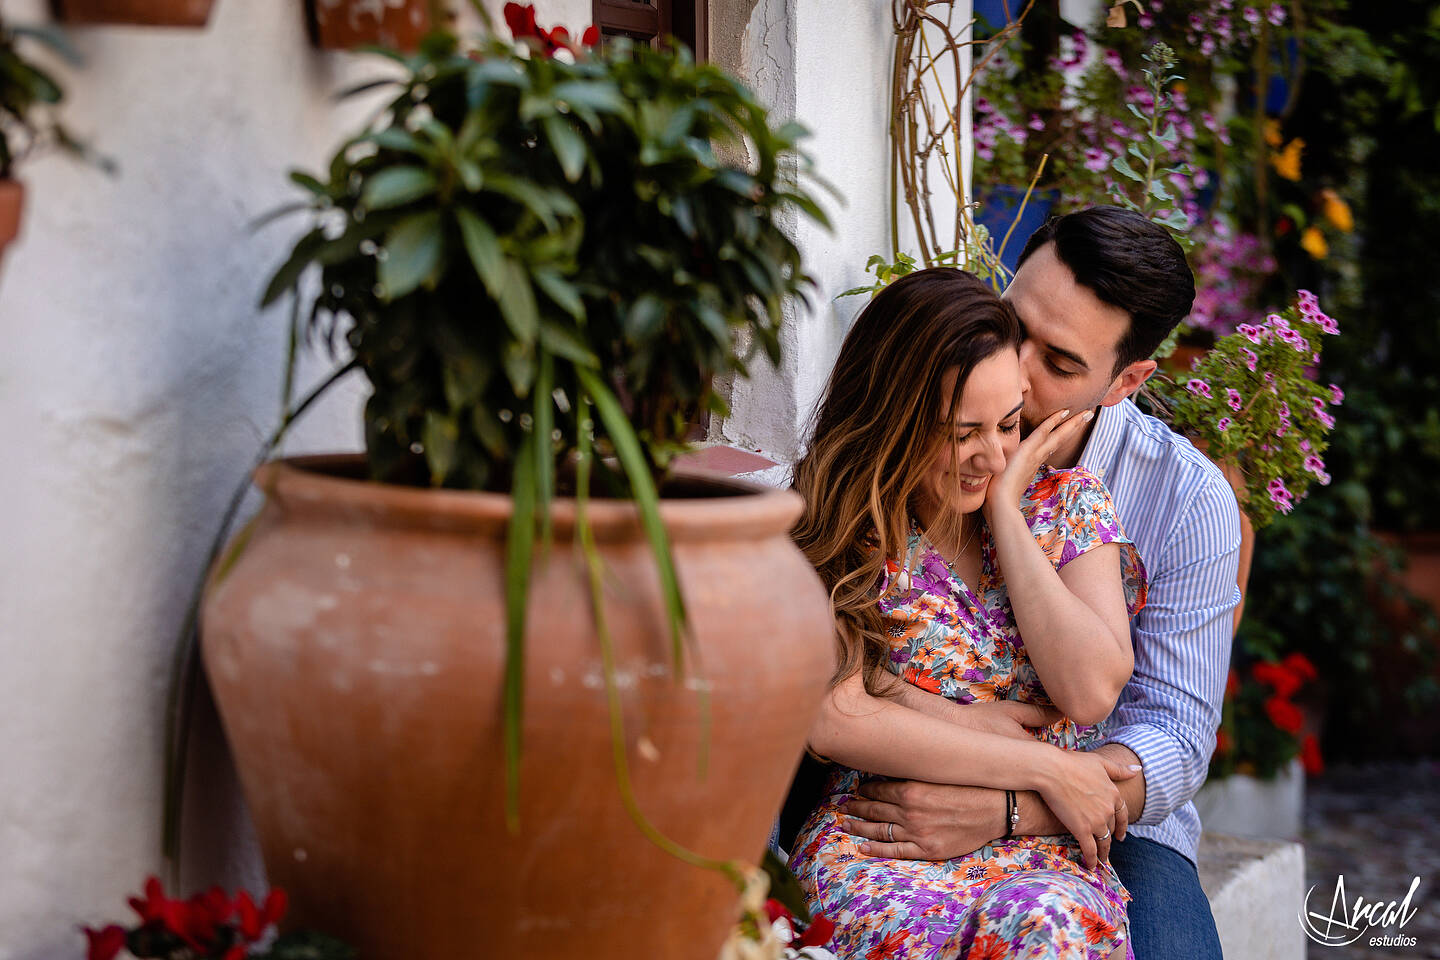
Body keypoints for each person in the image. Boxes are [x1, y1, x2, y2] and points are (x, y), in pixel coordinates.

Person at [832, 207, 1239, 960]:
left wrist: (1014, 806)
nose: (1014, 372)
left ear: (1125, 381)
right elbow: (846, 688)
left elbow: (1175, 739)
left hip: (1106, 825)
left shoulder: (1186, 500)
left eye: (1058, 362)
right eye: (1014, 325)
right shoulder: (904, 471)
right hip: (903, 798)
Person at [785, 266, 1151, 958]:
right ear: (897, 419)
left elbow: (1091, 691)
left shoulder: (1066, 506)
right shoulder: (849, 522)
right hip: (882, 840)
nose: (992, 456)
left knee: (1048, 927)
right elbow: (834, 716)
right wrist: (1046, 768)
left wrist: (1007, 515)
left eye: (1008, 424)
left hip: (1038, 856)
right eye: (962, 434)